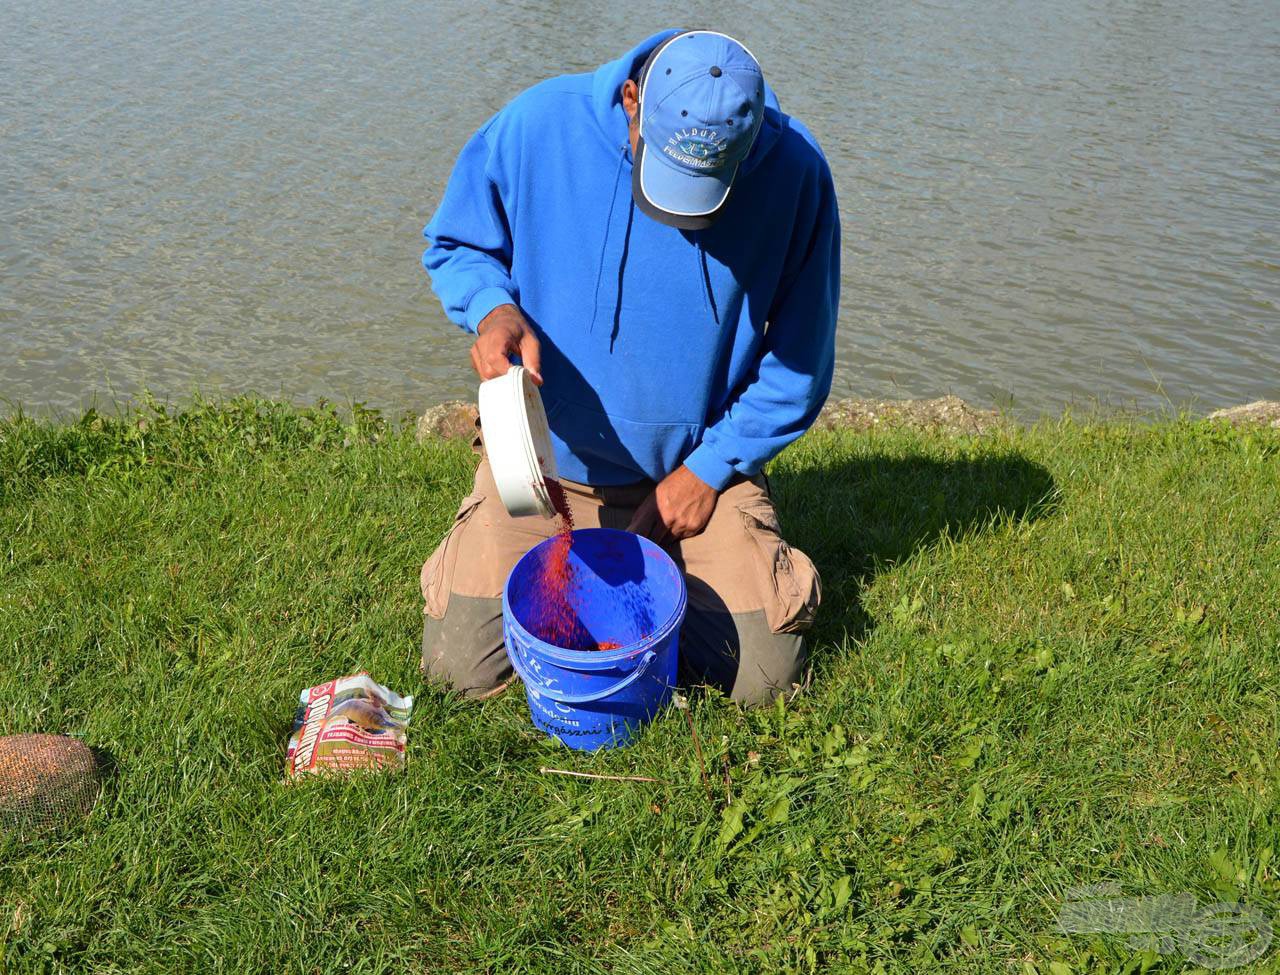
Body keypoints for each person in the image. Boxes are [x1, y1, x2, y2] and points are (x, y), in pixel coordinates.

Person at [418, 28, 840, 706]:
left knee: (764, 681)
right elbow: (457, 243)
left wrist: (707, 471)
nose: (684, 211)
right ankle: (587, 560)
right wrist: (491, 307)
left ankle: (682, 558)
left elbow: (799, 369)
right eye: (668, 168)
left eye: (709, 185)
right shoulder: (536, 125)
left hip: (696, 476)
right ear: (631, 98)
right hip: (550, 469)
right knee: (457, 673)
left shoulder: (795, 171)